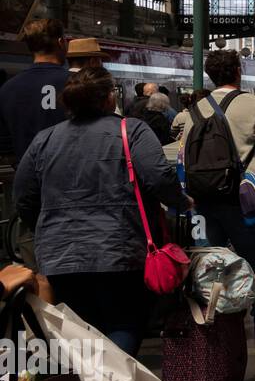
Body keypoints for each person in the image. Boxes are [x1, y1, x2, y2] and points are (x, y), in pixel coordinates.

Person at [15, 67, 187, 362]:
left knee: (80, 328)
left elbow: (24, 196)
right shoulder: (131, 130)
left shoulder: (44, 139)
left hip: (60, 255)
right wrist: (181, 201)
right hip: (119, 249)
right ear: (109, 98)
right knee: (124, 323)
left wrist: (47, 227)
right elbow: (158, 178)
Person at [175, 49, 255, 337]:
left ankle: (211, 315)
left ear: (211, 76)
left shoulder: (196, 109)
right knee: (253, 258)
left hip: (204, 197)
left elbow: (184, 155)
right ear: (238, 71)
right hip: (242, 198)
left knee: (210, 259)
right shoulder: (253, 104)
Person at [0, 18, 70, 164]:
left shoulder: (7, 89)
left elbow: (5, 144)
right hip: (72, 178)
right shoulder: (77, 84)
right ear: (60, 42)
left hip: (26, 178)